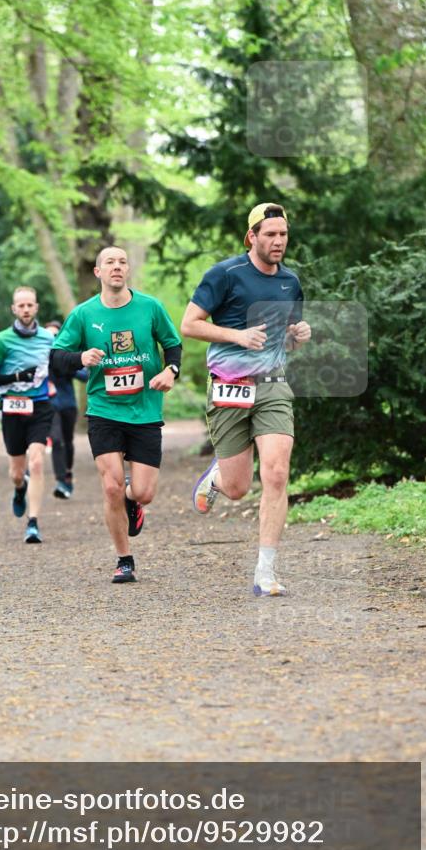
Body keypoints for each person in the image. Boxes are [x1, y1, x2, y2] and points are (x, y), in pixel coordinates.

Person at [181, 202, 311, 597]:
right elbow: (189, 325)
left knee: (275, 472)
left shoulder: (290, 282)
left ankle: (265, 572)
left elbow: (284, 339)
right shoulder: (225, 275)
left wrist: (298, 335)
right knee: (238, 487)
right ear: (251, 236)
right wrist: (237, 336)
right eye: (269, 234)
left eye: (283, 234)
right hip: (229, 385)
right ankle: (218, 477)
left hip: (272, 385)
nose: (277, 241)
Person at [51, 246, 182, 584]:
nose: (117, 267)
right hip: (104, 409)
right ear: (98, 272)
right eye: (110, 262)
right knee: (109, 487)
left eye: (123, 261)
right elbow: (56, 358)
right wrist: (81, 358)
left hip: (145, 409)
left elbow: (173, 344)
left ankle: (132, 498)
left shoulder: (149, 307)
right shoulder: (83, 314)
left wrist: (172, 370)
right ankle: (124, 559)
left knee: (144, 492)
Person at [0, 287, 55, 544]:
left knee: (36, 461)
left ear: (36, 308)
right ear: (14, 309)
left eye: (30, 305)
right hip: (11, 408)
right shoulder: (2, 340)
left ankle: (33, 522)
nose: (26, 309)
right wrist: (16, 376)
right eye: (21, 306)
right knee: (17, 471)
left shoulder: (49, 338)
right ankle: (19, 489)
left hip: (39, 406)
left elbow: (59, 364)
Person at [44, 318, 88, 499]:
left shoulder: (67, 354)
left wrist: (67, 365)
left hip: (68, 403)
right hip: (49, 404)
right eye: (48, 335)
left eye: (55, 334)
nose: (52, 338)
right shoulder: (39, 356)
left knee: (68, 441)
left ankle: (68, 473)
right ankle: (60, 481)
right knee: (56, 440)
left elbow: (84, 375)